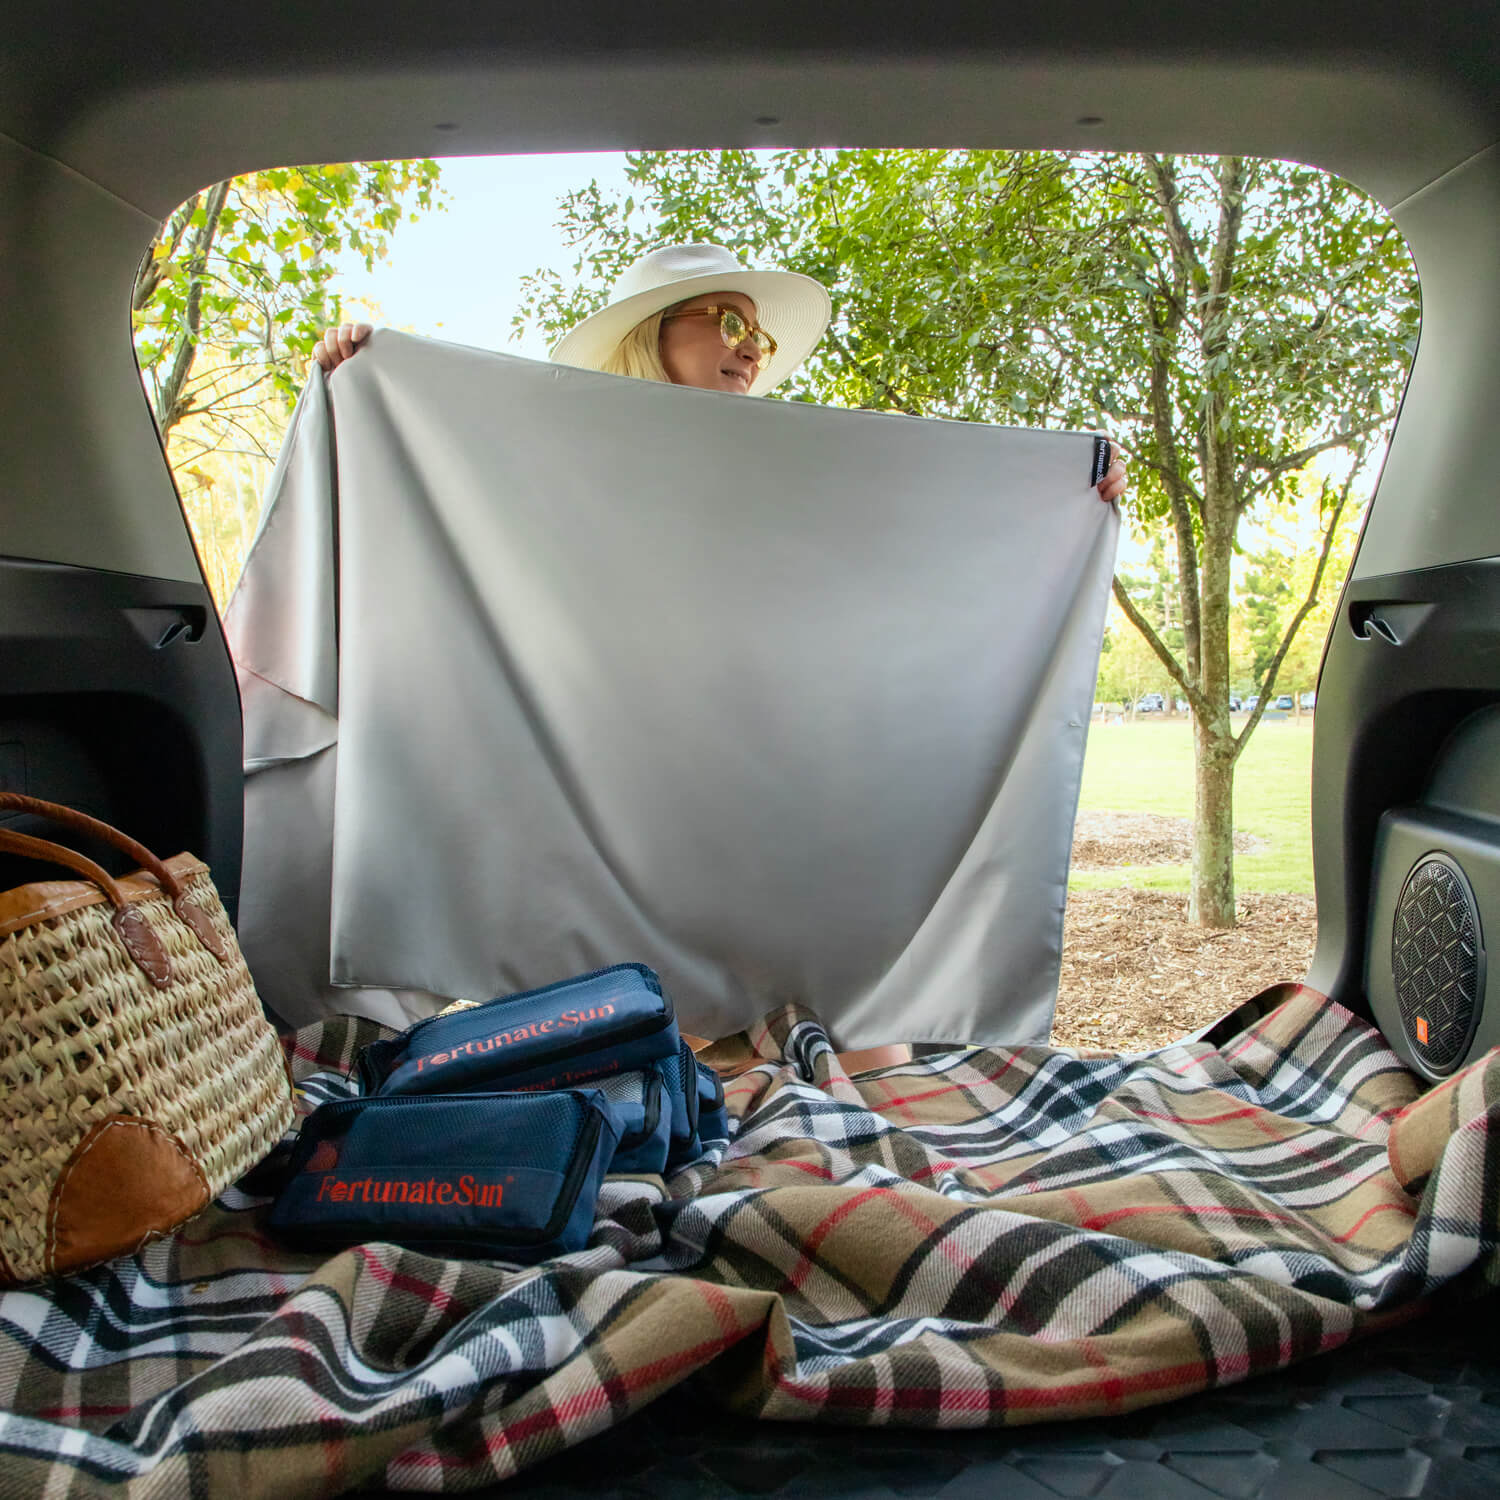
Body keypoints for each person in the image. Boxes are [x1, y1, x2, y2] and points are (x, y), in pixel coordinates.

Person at [312, 243, 1129, 1072]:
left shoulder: (788, 470)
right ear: (652, 333)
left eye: (761, 335)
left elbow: (904, 548)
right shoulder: (557, 462)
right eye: (729, 319)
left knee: (851, 1053)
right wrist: (364, 375)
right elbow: (453, 465)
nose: (751, 345)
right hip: (611, 793)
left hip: (774, 792)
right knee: (640, 1051)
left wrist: (1057, 498)